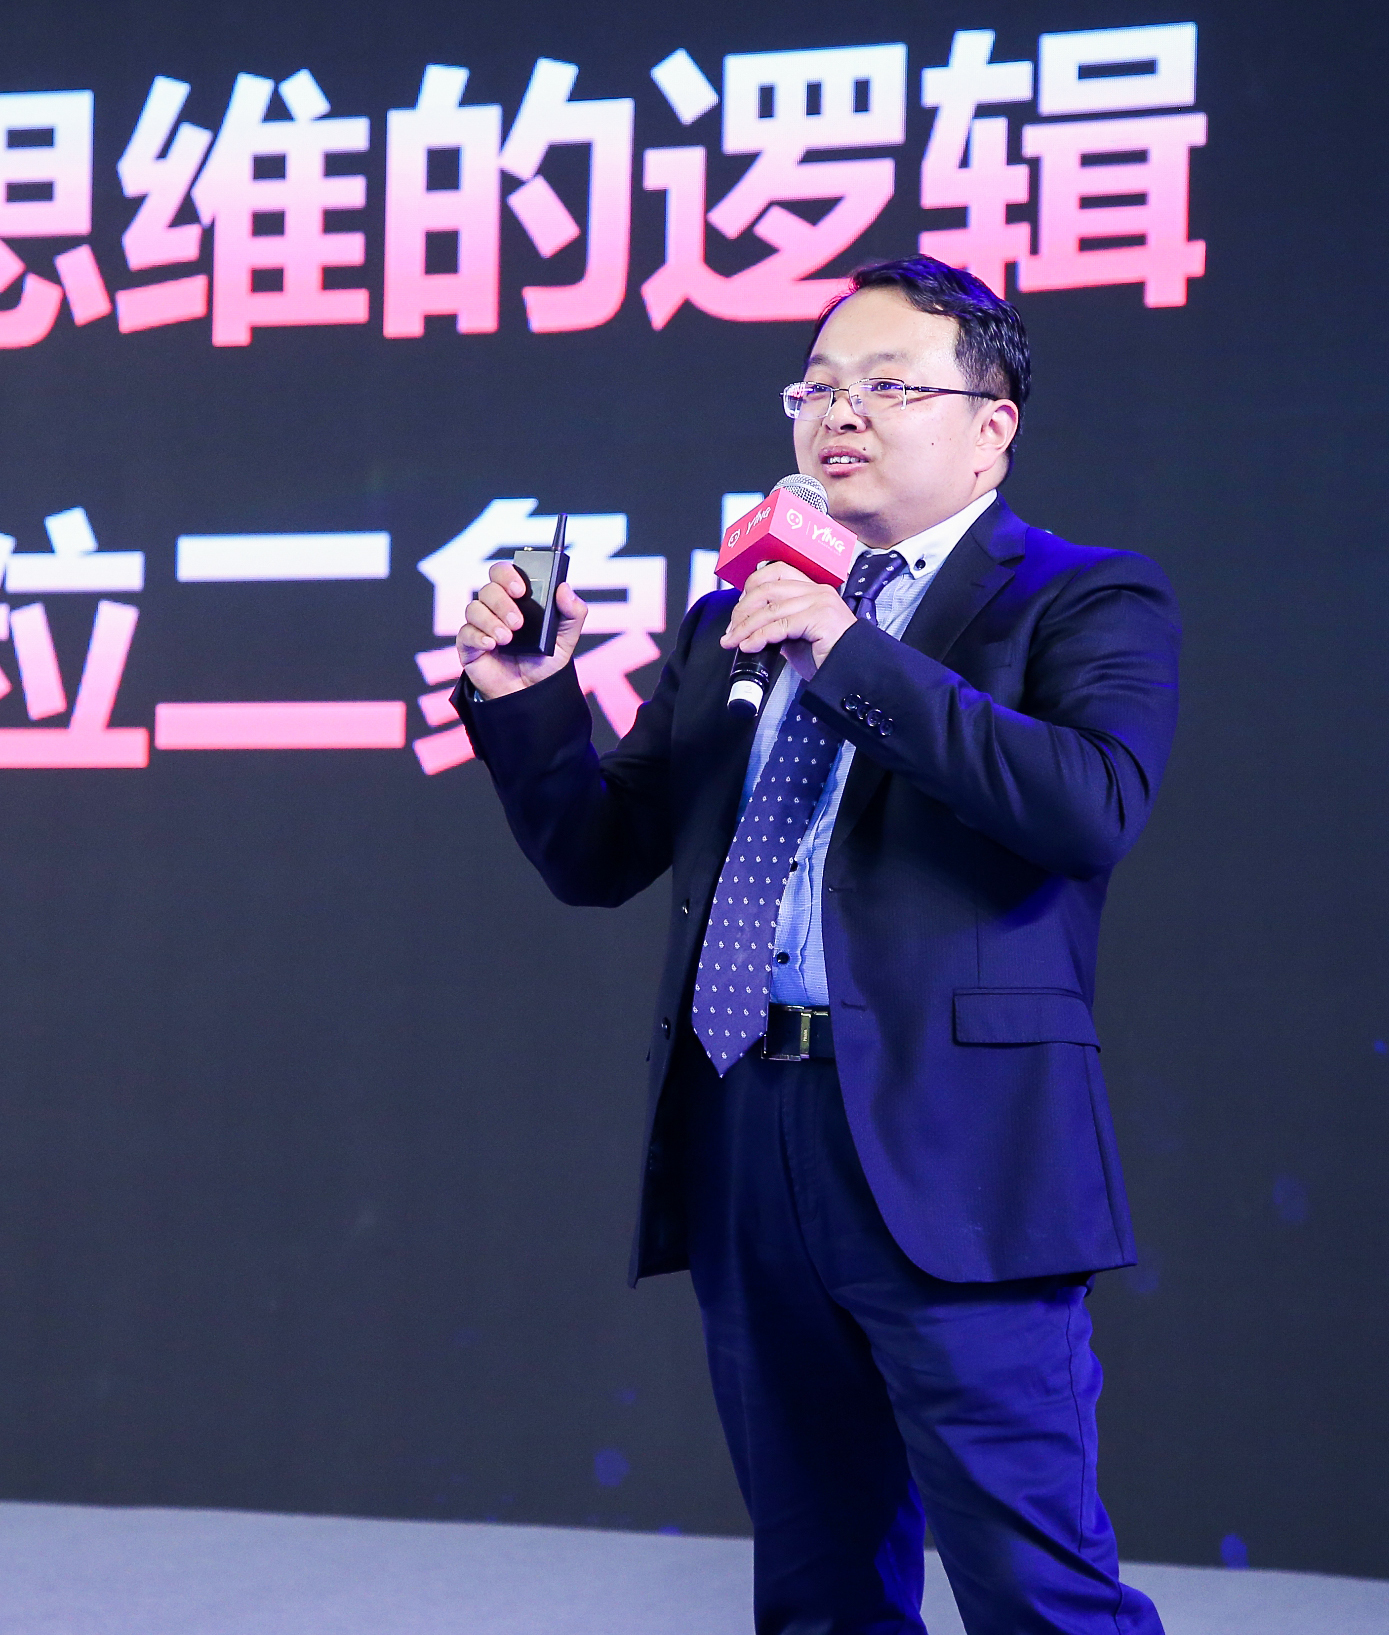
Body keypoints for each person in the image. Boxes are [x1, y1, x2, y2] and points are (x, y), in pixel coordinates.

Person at [451, 255, 1178, 1635]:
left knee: (1035, 1591)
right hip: (750, 1127)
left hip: (953, 1152)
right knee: (816, 1592)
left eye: (886, 386)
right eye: (816, 387)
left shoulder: (1080, 597)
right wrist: (531, 699)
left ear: (990, 426)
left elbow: (1086, 806)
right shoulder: (736, 617)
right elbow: (599, 855)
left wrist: (848, 652)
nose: (838, 413)